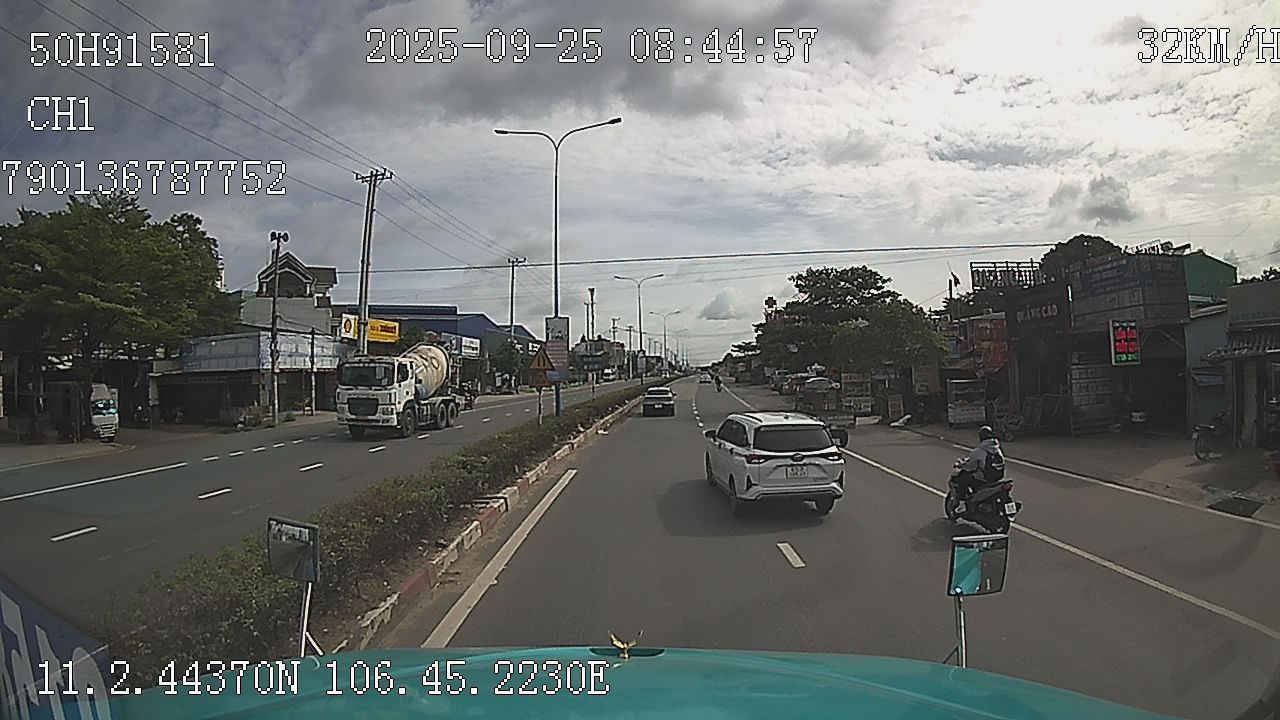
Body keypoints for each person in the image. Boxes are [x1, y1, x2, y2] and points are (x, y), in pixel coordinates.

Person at [955, 425, 1005, 499]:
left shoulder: (979, 451)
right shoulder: (997, 450)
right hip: (997, 478)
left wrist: (961, 465)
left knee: (962, 479)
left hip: (983, 479)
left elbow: (970, 467)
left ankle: (962, 501)